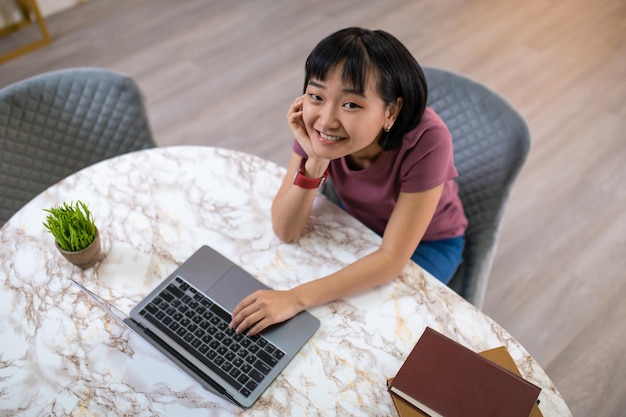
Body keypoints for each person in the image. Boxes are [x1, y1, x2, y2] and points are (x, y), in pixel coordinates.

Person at [230, 27, 467, 336]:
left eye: (351, 104)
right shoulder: (315, 127)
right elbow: (285, 229)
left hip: (426, 244)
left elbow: (391, 258)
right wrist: (315, 158)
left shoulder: (430, 139)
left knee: (373, 330)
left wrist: (295, 298)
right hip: (354, 218)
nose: (326, 120)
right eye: (316, 96)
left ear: (391, 112)